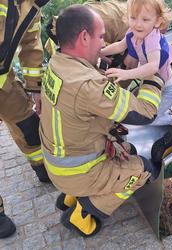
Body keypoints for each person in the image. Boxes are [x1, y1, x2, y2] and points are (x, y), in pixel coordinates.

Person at [39, 4, 164, 237]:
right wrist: (155, 76)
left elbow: (83, 111)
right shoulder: (87, 85)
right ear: (84, 37)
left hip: (60, 159)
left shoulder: (58, 61)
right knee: (142, 170)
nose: (104, 44)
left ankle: (71, 195)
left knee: (126, 148)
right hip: (76, 170)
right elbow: (146, 112)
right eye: (101, 37)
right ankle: (83, 212)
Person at [101, 0, 172, 128]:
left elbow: (152, 67)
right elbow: (120, 45)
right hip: (153, 84)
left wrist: (126, 74)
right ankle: (164, 110)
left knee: (148, 120)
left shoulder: (152, 40)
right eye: (133, 18)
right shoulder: (132, 32)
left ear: (157, 21)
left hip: (168, 89)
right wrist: (100, 52)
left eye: (145, 20)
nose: (138, 24)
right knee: (150, 109)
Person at [0, 0, 51, 183]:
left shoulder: (32, 5)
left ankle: (42, 168)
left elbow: (31, 46)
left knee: (28, 125)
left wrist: (36, 89)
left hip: (4, 83)